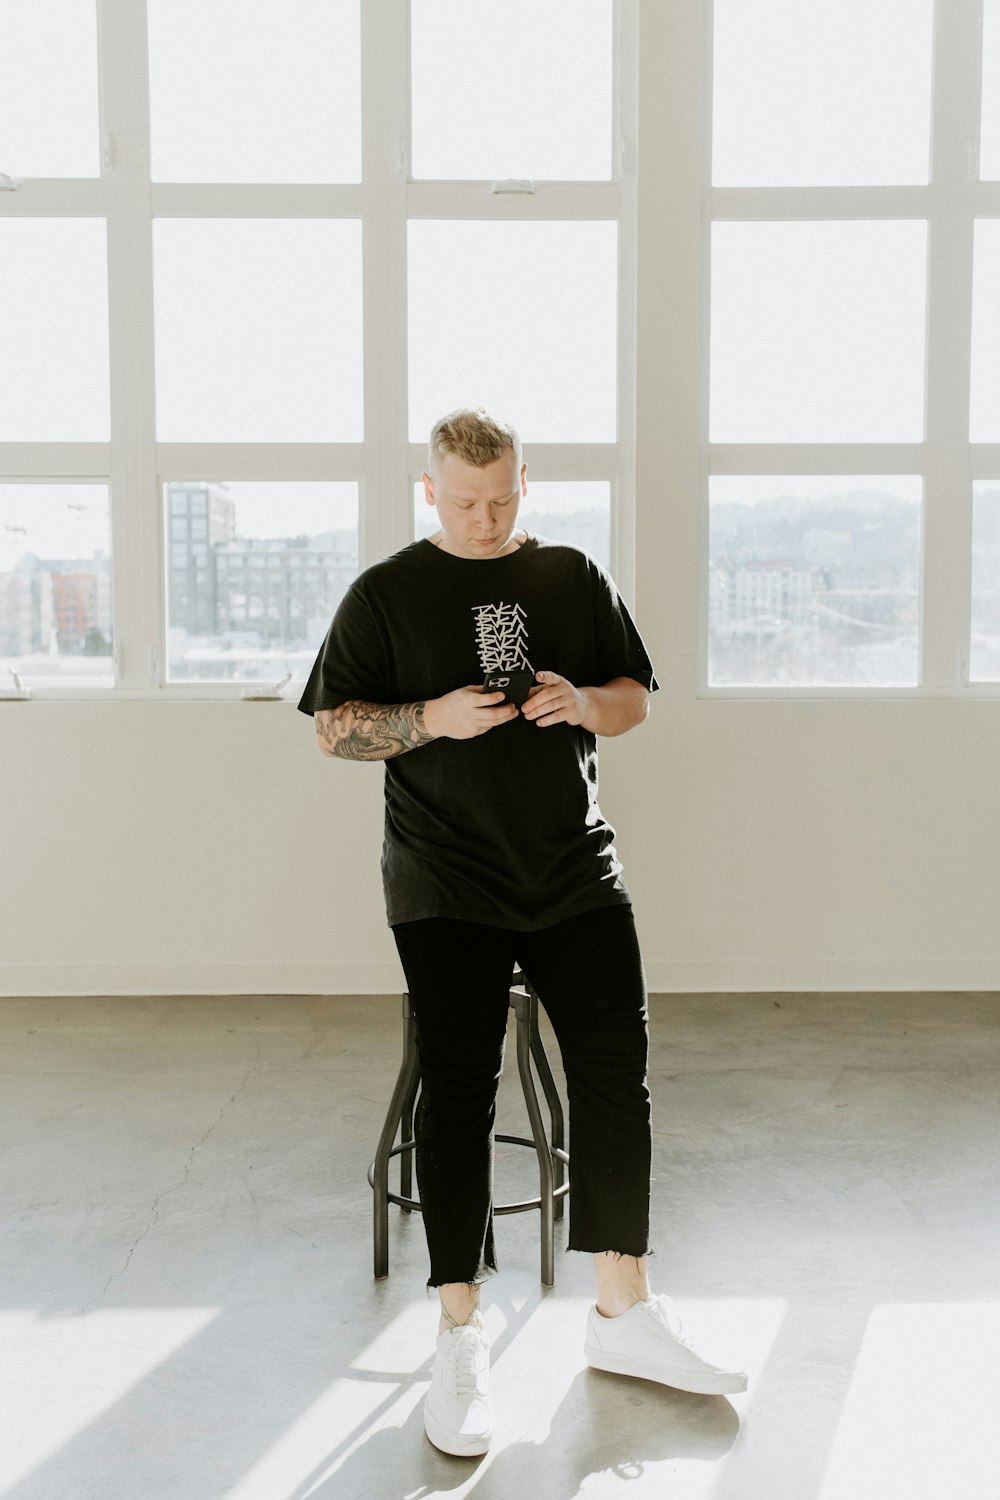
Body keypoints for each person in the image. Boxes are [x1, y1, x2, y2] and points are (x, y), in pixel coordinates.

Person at [298, 408, 746, 1457]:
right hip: (443, 878)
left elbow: (636, 699)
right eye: (464, 502)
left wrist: (580, 701)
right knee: (459, 1088)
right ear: (430, 490)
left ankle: (623, 1315)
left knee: (614, 1073)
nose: (486, 517)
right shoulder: (386, 593)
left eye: (502, 499)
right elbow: (332, 726)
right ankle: (459, 1335)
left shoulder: (571, 578)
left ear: (523, 481)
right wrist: (429, 720)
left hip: (574, 868)